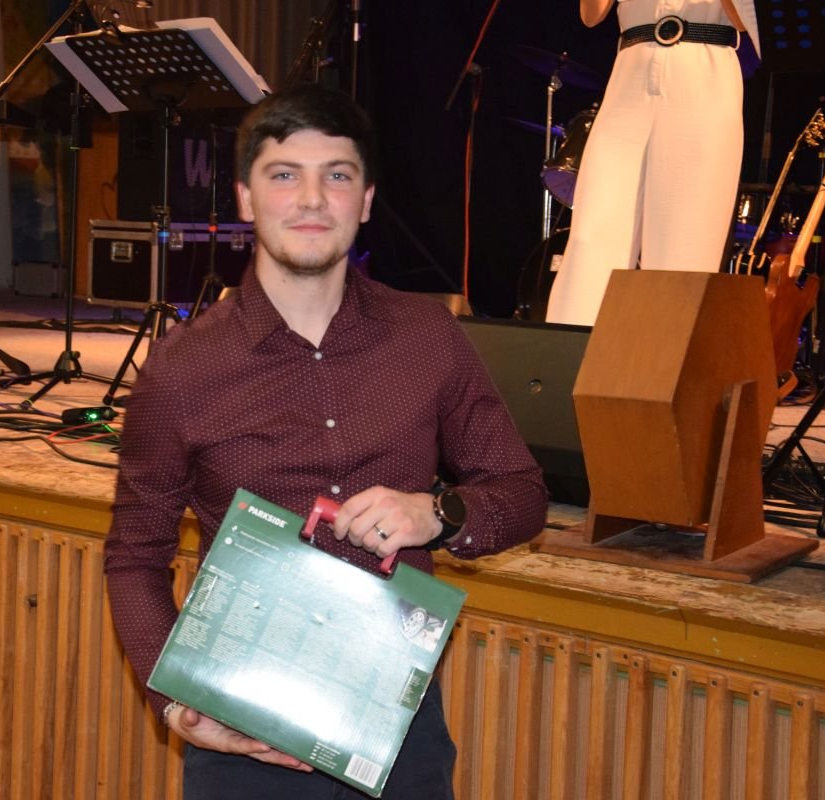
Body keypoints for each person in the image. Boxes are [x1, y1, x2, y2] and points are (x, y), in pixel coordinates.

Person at [104, 83, 548, 799]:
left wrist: (436, 513)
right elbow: (135, 554)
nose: (311, 199)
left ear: (365, 200)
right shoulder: (181, 369)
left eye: (336, 175)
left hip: (400, 728)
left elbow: (522, 494)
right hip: (244, 734)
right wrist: (177, 703)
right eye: (284, 174)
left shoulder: (428, 336)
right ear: (245, 198)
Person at [545, 0, 761, 326]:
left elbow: (742, 20)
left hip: (704, 67)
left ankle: (664, 355)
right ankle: (570, 352)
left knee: (684, 245)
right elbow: (591, 15)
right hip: (631, 68)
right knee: (591, 235)